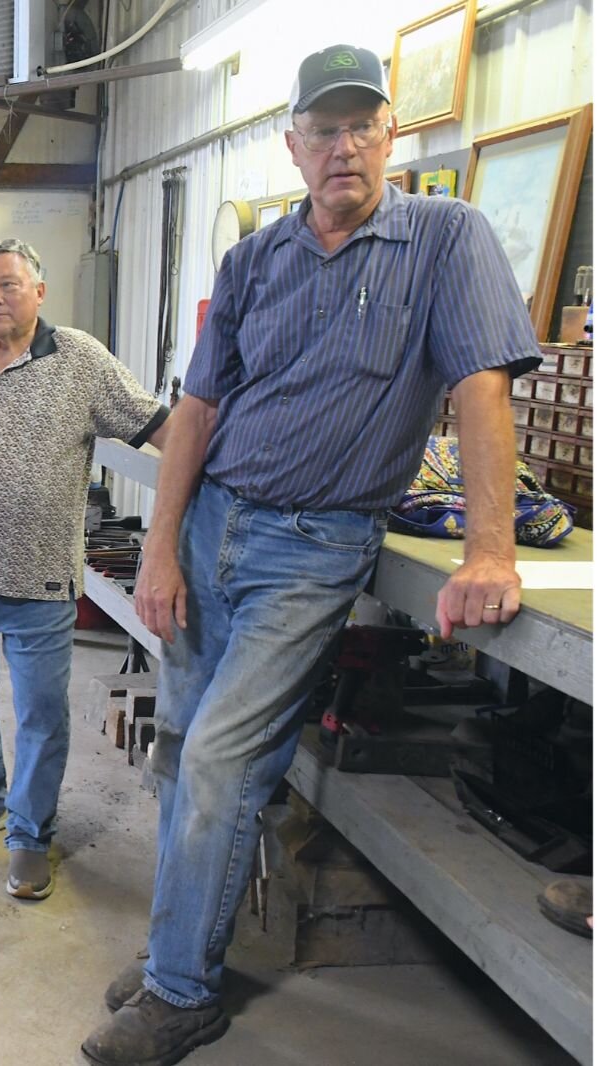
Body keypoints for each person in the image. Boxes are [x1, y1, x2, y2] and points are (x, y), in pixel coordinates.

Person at [81, 45, 539, 1066]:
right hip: (213, 528)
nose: (343, 148)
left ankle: (181, 991)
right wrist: (159, 548)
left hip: (315, 546)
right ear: (292, 146)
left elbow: (478, 391)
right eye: (322, 130)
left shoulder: (445, 240)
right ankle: (177, 945)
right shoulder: (253, 260)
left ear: (392, 135)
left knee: (217, 758)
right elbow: (196, 410)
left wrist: (490, 549)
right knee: (183, 754)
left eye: (361, 127)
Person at [0, 239, 169, 901]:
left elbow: (157, 426)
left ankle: (29, 834)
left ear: (39, 291)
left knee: (39, 713)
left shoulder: (80, 358)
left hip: (40, 581)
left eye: (7, 285)